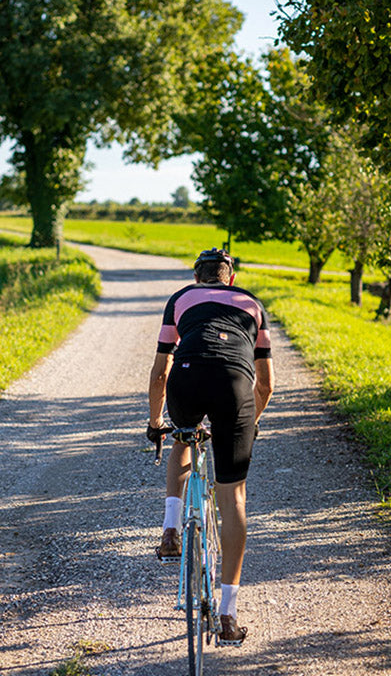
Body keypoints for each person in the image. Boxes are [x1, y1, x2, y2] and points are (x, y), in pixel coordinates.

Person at [147, 247, 274, 645]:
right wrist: (244, 426)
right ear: (229, 278)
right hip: (234, 387)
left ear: (197, 277)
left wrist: (155, 422)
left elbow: (160, 371)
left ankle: (170, 529)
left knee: (182, 438)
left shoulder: (181, 299)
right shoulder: (252, 304)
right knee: (233, 497)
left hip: (186, 378)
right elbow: (267, 384)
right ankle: (228, 614)